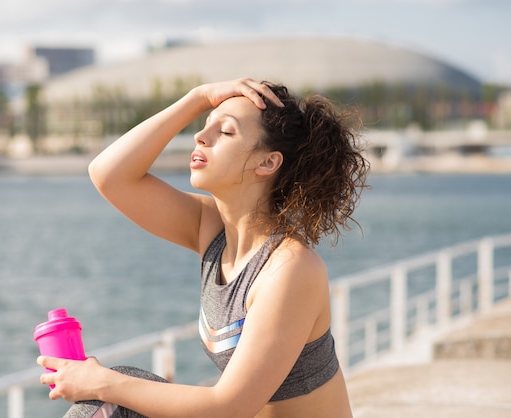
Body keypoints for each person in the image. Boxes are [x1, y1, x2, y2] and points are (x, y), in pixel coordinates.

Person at [38, 78, 369, 417]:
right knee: (104, 403)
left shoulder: (290, 268)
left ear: (268, 163)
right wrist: (197, 98)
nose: (200, 137)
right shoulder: (211, 228)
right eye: (204, 126)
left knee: (109, 390)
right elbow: (108, 175)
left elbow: (230, 406)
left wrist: (100, 381)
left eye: (225, 132)